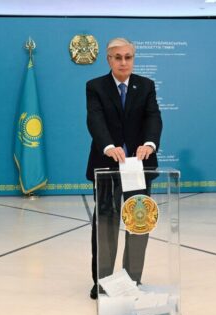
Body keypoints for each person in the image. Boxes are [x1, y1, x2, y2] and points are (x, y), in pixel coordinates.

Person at [86, 37, 162, 299]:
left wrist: (149, 144)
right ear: (108, 59)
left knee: (138, 223)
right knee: (106, 224)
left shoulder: (146, 85)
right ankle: (103, 280)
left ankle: (133, 278)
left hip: (140, 169)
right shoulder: (95, 86)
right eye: (117, 57)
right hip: (107, 168)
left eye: (128, 57)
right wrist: (108, 146)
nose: (123, 62)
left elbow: (153, 116)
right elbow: (95, 119)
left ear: (133, 58)